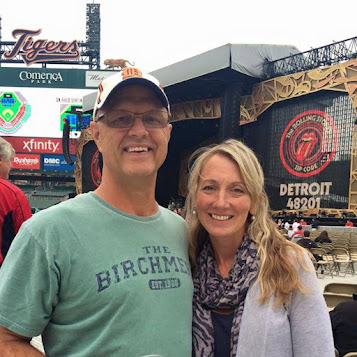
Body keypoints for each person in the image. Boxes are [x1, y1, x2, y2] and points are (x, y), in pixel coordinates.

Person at [0, 68, 193, 356]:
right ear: (97, 135)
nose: (139, 130)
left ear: (167, 133)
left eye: (152, 118)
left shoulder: (181, 231)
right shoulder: (49, 231)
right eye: (121, 119)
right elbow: (5, 338)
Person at [185, 139, 334, 357]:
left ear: (255, 202)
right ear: (195, 198)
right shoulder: (185, 263)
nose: (221, 202)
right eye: (209, 187)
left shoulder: (289, 264)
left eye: (237, 190)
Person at [0, 137, 32, 268]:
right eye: (9, 161)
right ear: (1, 159)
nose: (11, 166)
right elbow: (29, 242)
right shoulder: (12, 194)